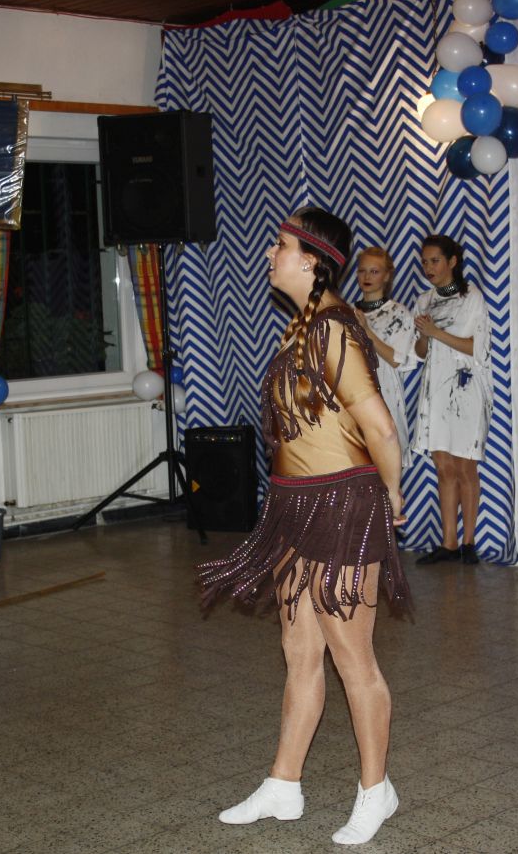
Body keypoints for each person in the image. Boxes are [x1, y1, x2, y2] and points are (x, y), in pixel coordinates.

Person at [198, 208, 410, 846]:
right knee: (298, 648)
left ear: (312, 260)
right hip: (295, 505)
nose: (271, 253)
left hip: (342, 504)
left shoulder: (335, 328)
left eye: (282, 244)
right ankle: (284, 784)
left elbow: (379, 427)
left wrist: (392, 494)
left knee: (352, 656)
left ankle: (376, 790)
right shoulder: (302, 326)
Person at [408, 235, 493, 565]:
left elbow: (476, 347)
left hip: (465, 386)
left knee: (465, 466)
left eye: (435, 261)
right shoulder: (423, 301)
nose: (428, 267)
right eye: (424, 262)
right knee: (443, 466)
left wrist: (435, 333)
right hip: (436, 390)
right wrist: (424, 337)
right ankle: (449, 542)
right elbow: (419, 351)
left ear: (452, 261)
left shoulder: (471, 297)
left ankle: (469, 542)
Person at [351, 247, 414, 465]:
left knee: (388, 474)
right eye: (362, 271)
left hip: (385, 399)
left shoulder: (399, 314)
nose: (367, 277)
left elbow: (397, 359)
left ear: (386, 276)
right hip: (352, 401)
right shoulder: (346, 313)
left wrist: (367, 332)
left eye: (374, 271)